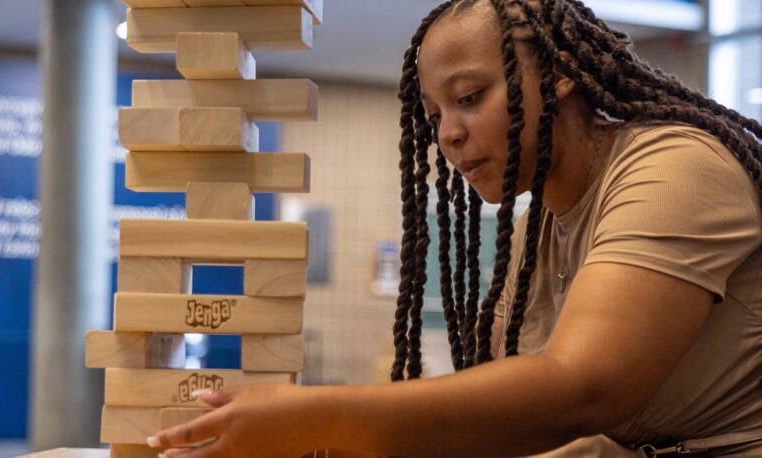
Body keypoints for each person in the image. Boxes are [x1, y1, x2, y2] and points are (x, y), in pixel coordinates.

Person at [148, 0, 762, 456]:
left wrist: (318, 415)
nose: (447, 134)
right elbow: (498, 415)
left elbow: (585, 387)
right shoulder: (532, 236)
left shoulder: (678, 168)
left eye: (469, 97)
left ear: (561, 72)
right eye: (435, 115)